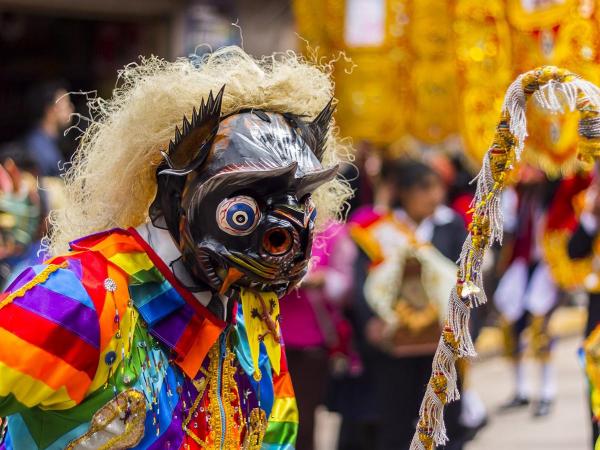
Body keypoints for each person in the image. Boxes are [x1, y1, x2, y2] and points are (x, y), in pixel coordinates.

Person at [0, 46, 351, 449]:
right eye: (245, 203)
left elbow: (276, 436)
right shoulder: (82, 299)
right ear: (173, 192)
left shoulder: (254, 316)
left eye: (296, 200)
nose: (281, 233)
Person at [349, 159, 467, 450]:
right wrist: (370, 323)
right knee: (396, 418)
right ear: (404, 192)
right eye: (424, 188)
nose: (434, 196)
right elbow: (361, 281)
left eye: (438, 187)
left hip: (441, 336)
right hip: (394, 339)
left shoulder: (450, 225)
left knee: (444, 414)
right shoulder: (378, 231)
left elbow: (466, 277)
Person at [279, 221, 356, 450]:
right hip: (267, 339)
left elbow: (348, 285)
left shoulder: (332, 231)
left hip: (311, 344)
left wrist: (323, 279)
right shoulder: (275, 220)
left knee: (301, 421)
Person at [493, 167, 560, 417]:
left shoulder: (555, 195)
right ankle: (521, 389)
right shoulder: (518, 195)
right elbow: (508, 230)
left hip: (548, 267)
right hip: (521, 264)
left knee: (540, 329)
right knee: (509, 325)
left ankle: (546, 391)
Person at [24, 80, 74, 177]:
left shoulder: (51, 141)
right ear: (50, 110)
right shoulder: (37, 147)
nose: (71, 108)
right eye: (66, 105)